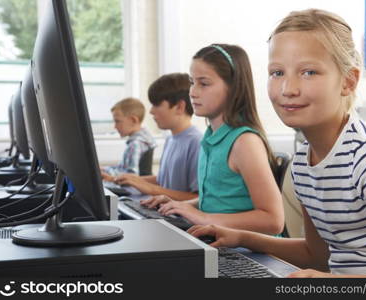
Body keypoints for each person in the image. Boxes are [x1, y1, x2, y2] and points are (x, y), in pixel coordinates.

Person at [188, 9, 366, 277]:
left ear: (348, 81)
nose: (288, 89)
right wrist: (243, 238)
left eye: (308, 72)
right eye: (277, 73)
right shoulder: (304, 162)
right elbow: (316, 256)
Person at [141, 44, 284, 235]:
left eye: (204, 83)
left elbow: (273, 220)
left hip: (252, 253)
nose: (192, 91)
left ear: (233, 88)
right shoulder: (211, 137)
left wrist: (204, 218)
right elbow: (221, 201)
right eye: (192, 82)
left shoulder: (244, 142)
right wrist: (181, 205)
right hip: (222, 242)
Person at [114, 73, 202, 201]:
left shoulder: (196, 143)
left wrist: (151, 189)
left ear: (179, 107)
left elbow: (197, 198)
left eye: (156, 105)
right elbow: (163, 180)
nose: (151, 111)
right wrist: (134, 180)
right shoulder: (171, 139)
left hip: (178, 220)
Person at [101, 97, 156, 180]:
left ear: (133, 120)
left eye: (118, 121)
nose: (115, 127)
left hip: (134, 190)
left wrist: (109, 177)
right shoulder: (146, 138)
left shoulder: (135, 144)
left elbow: (131, 176)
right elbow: (123, 168)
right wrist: (105, 169)